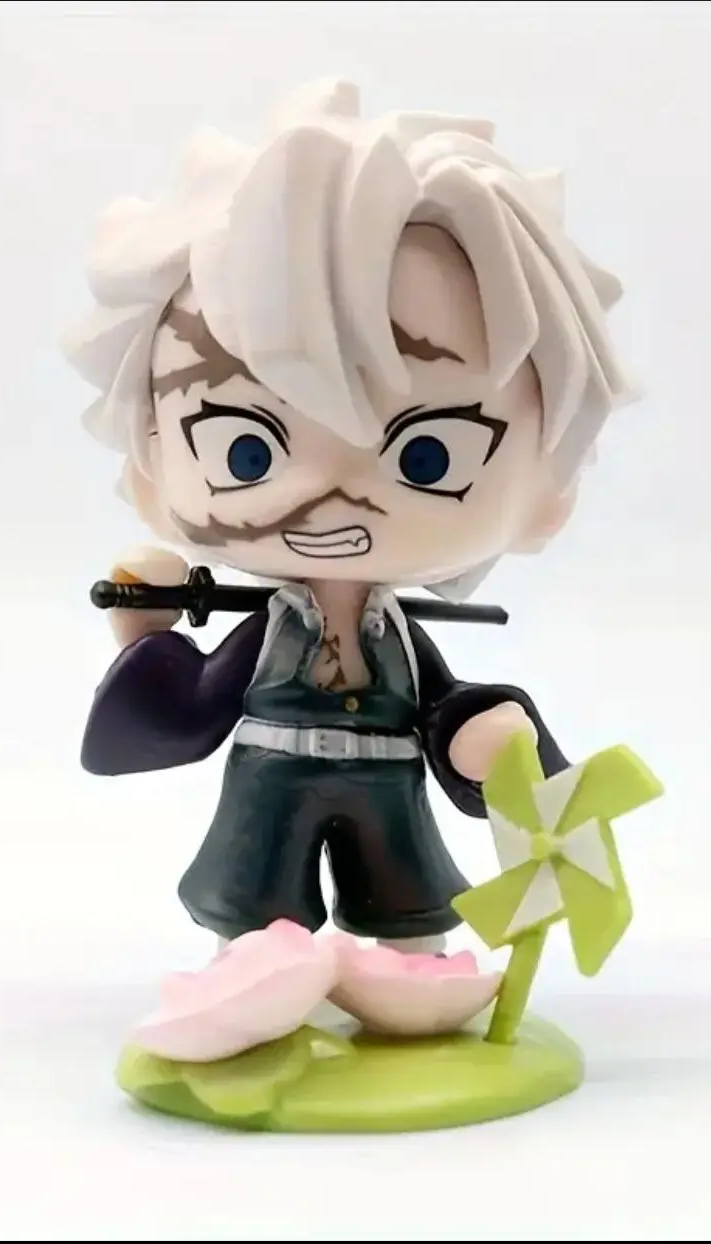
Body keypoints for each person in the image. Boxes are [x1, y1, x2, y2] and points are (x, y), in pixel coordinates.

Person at [62, 78, 634, 957]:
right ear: (151, 466)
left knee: (409, 908)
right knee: (255, 911)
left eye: (428, 455)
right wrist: (144, 632)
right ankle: (255, 973)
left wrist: (483, 740)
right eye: (246, 450)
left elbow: (446, 710)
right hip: (269, 786)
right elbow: (186, 709)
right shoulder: (269, 635)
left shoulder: (399, 638)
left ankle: (409, 973)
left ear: (547, 490)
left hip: (388, 791)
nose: (332, 493)